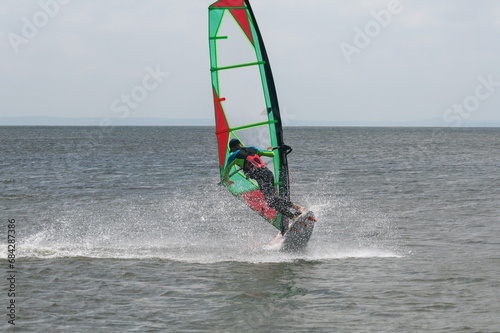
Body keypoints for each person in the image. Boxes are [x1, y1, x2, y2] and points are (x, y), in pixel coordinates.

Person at [222, 139, 305, 226]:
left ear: (234, 148)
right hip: (267, 173)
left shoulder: (233, 156)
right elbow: (271, 154)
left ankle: (298, 209)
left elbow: (225, 172)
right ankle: (293, 216)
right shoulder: (252, 149)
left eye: (232, 150)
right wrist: (270, 149)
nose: (232, 152)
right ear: (240, 144)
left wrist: (227, 180)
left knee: (271, 201)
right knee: (272, 201)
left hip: (260, 176)